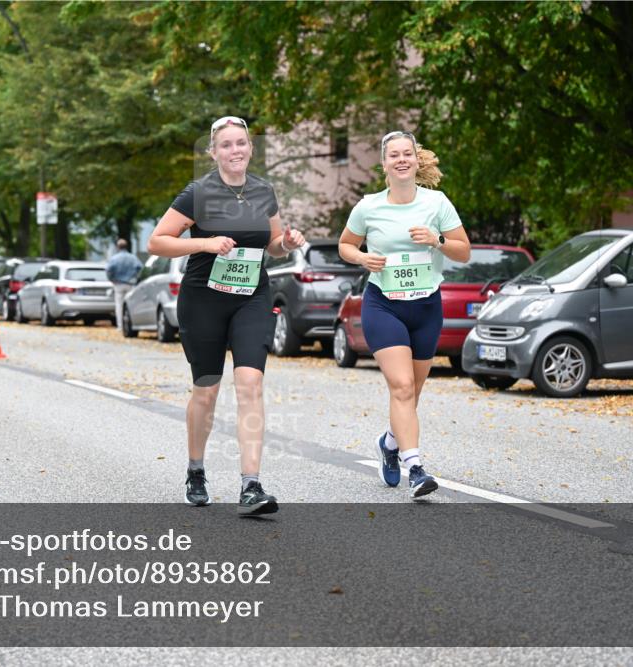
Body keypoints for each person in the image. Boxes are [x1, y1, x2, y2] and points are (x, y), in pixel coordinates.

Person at [148, 115, 305, 516]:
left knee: (250, 383)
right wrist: (205, 242)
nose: (235, 150)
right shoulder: (198, 193)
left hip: (252, 295)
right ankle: (196, 471)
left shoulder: (263, 191)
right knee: (207, 388)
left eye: (242, 143)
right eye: (227, 145)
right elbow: (158, 241)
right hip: (204, 298)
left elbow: (272, 244)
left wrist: (285, 242)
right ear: (214, 152)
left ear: (251, 148)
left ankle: (251, 486)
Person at [338, 130, 471, 499]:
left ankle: (389, 443)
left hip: (426, 306)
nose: (401, 160)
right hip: (383, 304)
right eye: (393, 155)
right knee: (401, 387)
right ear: (384, 164)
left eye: (406, 154)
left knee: (412, 394)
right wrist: (363, 257)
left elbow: (463, 252)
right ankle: (416, 467)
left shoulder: (437, 202)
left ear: (416, 160)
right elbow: (345, 245)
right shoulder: (368, 206)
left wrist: (437, 241)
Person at [105, 238, 145, 332]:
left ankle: (120, 327)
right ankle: (130, 325)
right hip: (130, 284)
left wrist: (112, 279)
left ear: (118, 247)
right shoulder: (133, 257)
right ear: (126, 246)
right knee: (130, 305)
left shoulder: (114, 258)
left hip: (118, 284)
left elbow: (108, 270)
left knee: (119, 306)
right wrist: (135, 278)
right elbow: (140, 268)